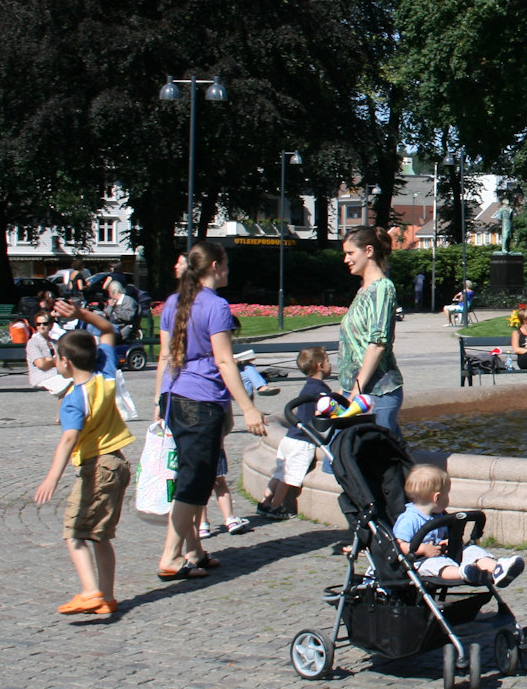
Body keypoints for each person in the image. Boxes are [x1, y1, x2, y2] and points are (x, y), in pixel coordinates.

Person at [152, 242, 268, 581]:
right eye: (226, 264)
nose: (228, 270)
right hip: (201, 400)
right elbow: (223, 360)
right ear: (216, 266)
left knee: (189, 472)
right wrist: (247, 407)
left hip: (176, 395)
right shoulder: (216, 305)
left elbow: (164, 355)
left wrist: (160, 401)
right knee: (196, 479)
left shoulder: (173, 302)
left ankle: (194, 550)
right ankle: (171, 555)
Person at [31, 330, 135, 615]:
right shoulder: (106, 377)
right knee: (100, 535)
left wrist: (52, 477)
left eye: (56, 356)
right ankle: (107, 598)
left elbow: (68, 439)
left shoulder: (74, 399)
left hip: (97, 468)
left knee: (74, 532)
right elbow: (107, 332)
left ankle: (90, 592)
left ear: (65, 361)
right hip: (118, 463)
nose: (55, 361)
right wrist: (82, 314)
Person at [394, 464, 524, 587]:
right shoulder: (409, 519)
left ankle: (497, 568)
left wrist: (447, 542)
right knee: (437, 565)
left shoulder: (439, 515)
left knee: (470, 550)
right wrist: (423, 549)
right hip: (420, 561)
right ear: (437, 498)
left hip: (443, 553)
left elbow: (445, 537)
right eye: (447, 494)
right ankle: (464, 573)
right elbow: (398, 545)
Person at [339, 227, 405, 435]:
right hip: (359, 392)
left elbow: (377, 344)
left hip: (377, 393)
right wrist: (347, 390)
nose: (346, 259)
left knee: (378, 459)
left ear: (368, 251)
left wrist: (355, 392)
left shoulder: (382, 288)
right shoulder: (364, 290)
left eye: (350, 253)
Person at [255, 346, 334, 520]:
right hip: (303, 441)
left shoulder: (308, 387)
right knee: (288, 476)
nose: (330, 364)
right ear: (320, 366)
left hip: (290, 437)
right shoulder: (321, 390)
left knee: (278, 473)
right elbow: (327, 411)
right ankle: (276, 506)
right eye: (328, 361)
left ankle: (264, 502)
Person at [26, 308, 66, 394]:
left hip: (57, 375)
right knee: (67, 386)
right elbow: (41, 364)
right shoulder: (33, 342)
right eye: (38, 324)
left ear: (51, 325)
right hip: (42, 377)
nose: (41, 326)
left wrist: (49, 360)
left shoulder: (55, 342)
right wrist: (56, 361)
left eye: (45, 323)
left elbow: (63, 361)